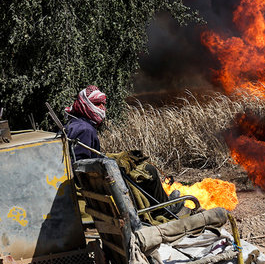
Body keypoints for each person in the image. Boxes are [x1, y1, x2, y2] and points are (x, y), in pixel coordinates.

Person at [65, 85, 183, 219]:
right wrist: (111, 167)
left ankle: (161, 205)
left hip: (99, 180)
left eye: (103, 104)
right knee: (149, 171)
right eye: (97, 104)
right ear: (84, 104)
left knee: (140, 168)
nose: (102, 109)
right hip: (99, 185)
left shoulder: (74, 123)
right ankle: (164, 211)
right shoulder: (85, 130)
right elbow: (80, 168)